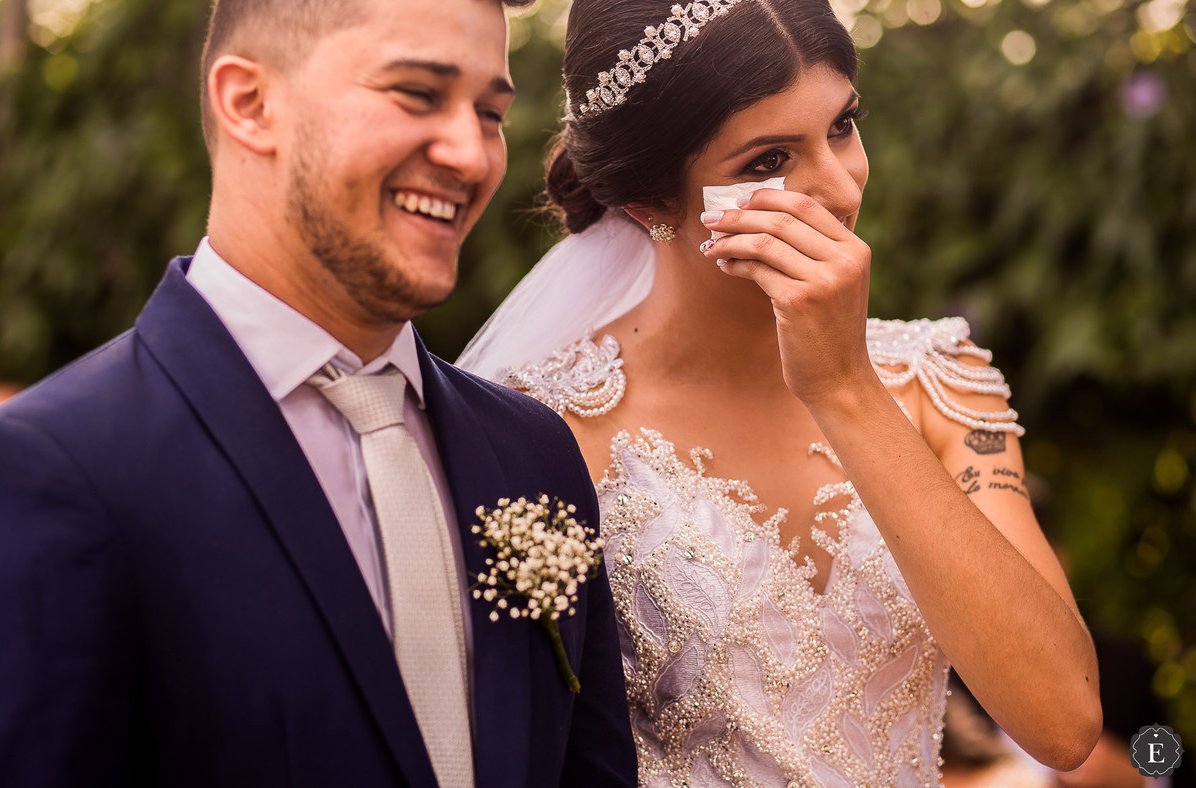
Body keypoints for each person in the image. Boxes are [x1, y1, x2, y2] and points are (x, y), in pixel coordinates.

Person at [459, 0, 1103, 784]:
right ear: (650, 203)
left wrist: (847, 389)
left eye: (842, 125)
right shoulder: (546, 427)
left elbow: (1063, 722)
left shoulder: (941, 382)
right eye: (768, 161)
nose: (838, 189)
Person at [0, 0, 636, 785]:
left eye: (490, 113)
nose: (471, 155)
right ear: (250, 104)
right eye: (417, 94)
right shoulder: (60, 469)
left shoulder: (534, 454)